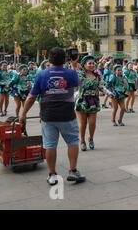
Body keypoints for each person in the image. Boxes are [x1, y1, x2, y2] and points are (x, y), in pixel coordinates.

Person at [19, 47, 85, 186]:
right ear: (65, 59)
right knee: (73, 142)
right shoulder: (71, 74)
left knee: (49, 145)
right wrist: (74, 65)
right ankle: (73, 171)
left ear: (49, 59)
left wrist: (23, 114)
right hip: (67, 115)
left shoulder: (41, 75)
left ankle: (52, 175)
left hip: (48, 116)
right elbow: (80, 84)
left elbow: (31, 97)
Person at [74, 56, 104, 151]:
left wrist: (110, 93)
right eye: (89, 63)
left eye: (93, 63)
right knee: (83, 123)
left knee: (92, 123)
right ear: (84, 65)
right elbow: (81, 83)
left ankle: (91, 139)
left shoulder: (97, 76)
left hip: (93, 101)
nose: (92, 65)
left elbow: (102, 86)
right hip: (82, 100)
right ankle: (82, 141)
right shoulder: (80, 75)